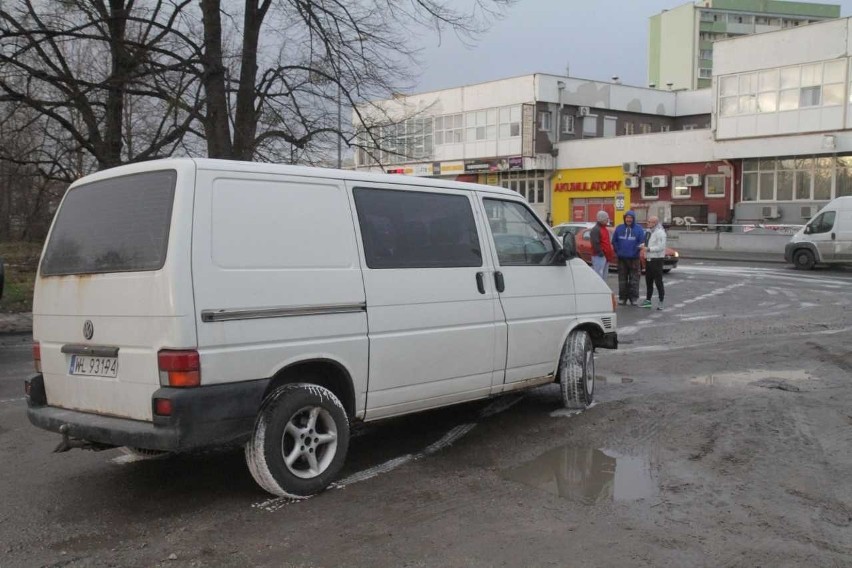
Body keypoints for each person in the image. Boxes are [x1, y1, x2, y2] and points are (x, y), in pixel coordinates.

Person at [612, 210, 644, 306]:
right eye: (627, 218)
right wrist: (618, 251)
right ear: (624, 218)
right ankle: (622, 298)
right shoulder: (619, 228)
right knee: (622, 279)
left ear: (633, 219)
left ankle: (634, 298)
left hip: (634, 258)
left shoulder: (639, 229)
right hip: (622, 258)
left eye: (630, 218)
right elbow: (614, 241)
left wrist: (636, 251)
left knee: (634, 279)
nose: (628, 219)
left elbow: (642, 242)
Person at [642, 216, 666, 310]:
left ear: (655, 223)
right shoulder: (648, 232)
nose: (648, 223)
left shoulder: (660, 233)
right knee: (648, 281)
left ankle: (661, 301)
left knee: (658, 281)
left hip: (657, 260)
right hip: (648, 259)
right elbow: (647, 243)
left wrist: (648, 249)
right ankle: (648, 301)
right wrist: (643, 246)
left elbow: (661, 247)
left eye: (650, 222)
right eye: (648, 221)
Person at [589, 210, 614, 281]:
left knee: (604, 276)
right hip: (599, 256)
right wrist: (601, 254)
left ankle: (603, 290)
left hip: (605, 256)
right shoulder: (596, 229)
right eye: (606, 218)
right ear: (601, 219)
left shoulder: (604, 229)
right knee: (599, 276)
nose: (607, 220)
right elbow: (595, 243)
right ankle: (598, 291)